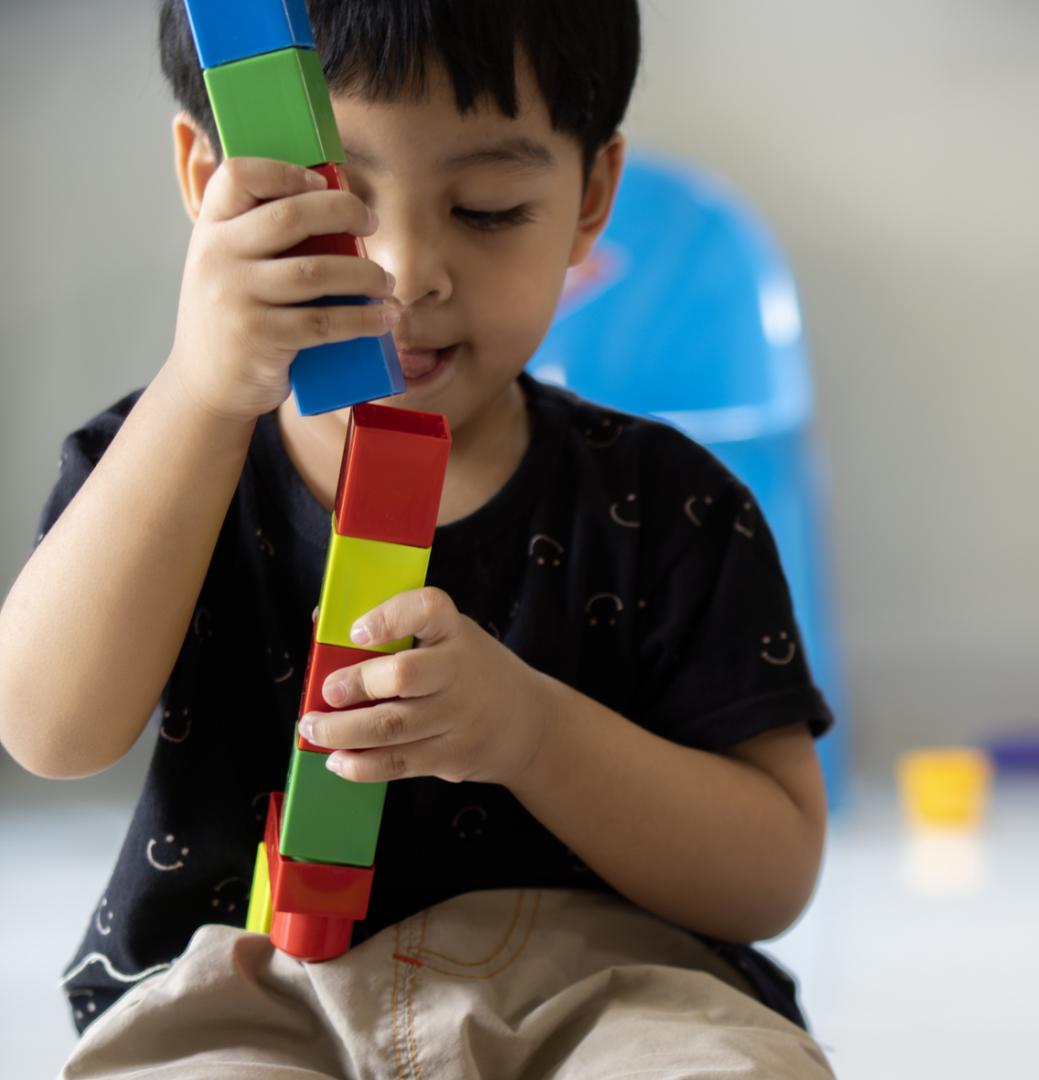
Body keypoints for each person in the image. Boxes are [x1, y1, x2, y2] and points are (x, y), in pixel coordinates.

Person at [0, 2, 836, 1074]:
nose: (402, 269)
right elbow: (48, 731)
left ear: (588, 199)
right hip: (245, 992)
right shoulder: (156, 460)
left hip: (610, 991)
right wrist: (201, 395)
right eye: (329, 200)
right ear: (207, 182)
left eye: (486, 208)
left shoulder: (670, 505)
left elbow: (766, 878)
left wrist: (530, 731)